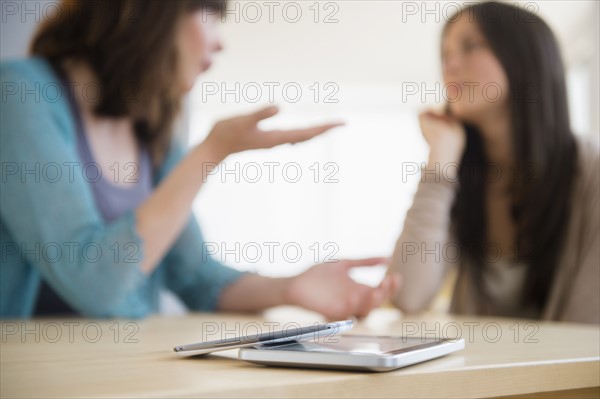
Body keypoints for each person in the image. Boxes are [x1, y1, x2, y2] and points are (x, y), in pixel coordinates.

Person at [0, 0, 400, 319]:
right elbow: (94, 284)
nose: (221, 41)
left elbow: (196, 278)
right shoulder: (19, 92)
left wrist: (289, 288)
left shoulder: (151, 128)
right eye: (209, 12)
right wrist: (209, 154)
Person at [389, 1, 599, 323]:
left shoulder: (591, 176)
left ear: (526, 59)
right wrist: (440, 163)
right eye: (445, 55)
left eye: (471, 46)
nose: (450, 66)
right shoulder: (462, 171)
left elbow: (589, 334)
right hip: (479, 372)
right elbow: (407, 295)